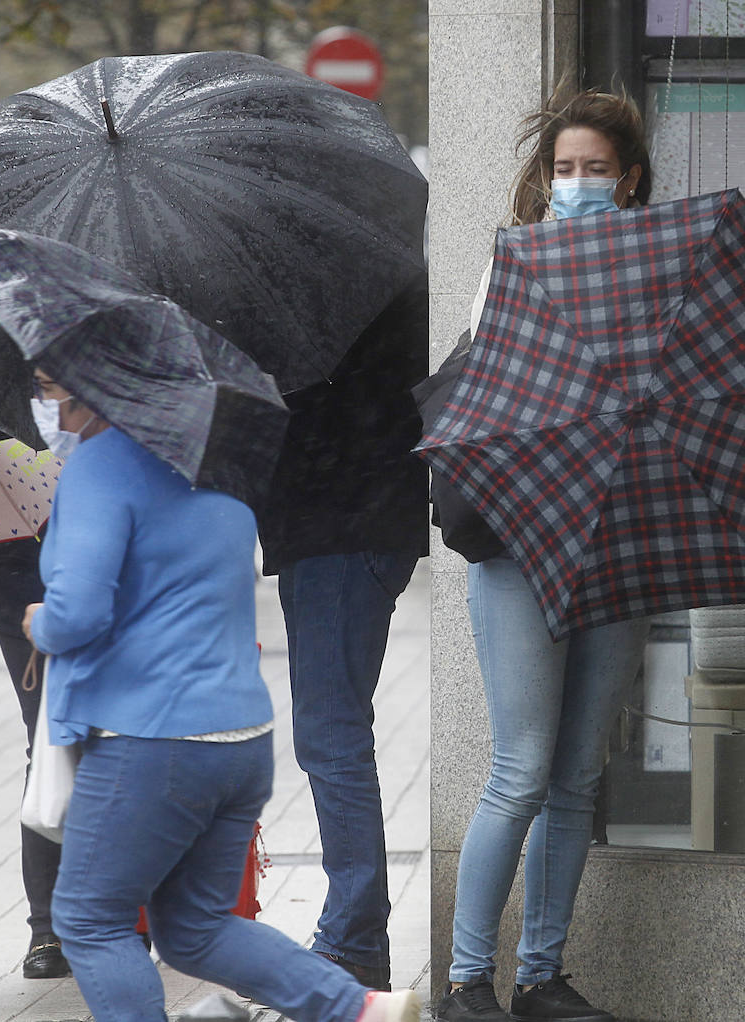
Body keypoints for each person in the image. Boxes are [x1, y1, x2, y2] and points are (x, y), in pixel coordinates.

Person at [21, 367, 421, 1022]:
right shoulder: (220, 461)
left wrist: (43, 620)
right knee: (195, 926)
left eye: (49, 386)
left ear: (94, 382)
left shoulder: (101, 464)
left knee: (89, 919)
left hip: (148, 739)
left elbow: (80, 611)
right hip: (238, 740)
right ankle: (357, 1010)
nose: (46, 406)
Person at [434, 87, 654, 1022]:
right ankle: (463, 983)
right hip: (523, 543)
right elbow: (496, 403)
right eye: (563, 170)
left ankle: (541, 978)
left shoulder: (662, 270)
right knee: (520, 767)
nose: (576, 184)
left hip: (623, 541)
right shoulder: (514, 265)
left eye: (594, 170)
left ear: (629, 178)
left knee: (578, 778)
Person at [256, 274, 430, 991]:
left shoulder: (333, 289)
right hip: (341, 523)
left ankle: (354, 936)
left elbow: (318, 410)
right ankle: (354, 931)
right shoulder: (363, 273)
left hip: (342, 523)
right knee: (333, 733)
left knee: (331, 735)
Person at [0, 528, 71, 979]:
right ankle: (46, 929)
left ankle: (125, 913)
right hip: (34, 603)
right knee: (52, 750)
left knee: (120, 753)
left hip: (117, 602)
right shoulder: (25, 458)